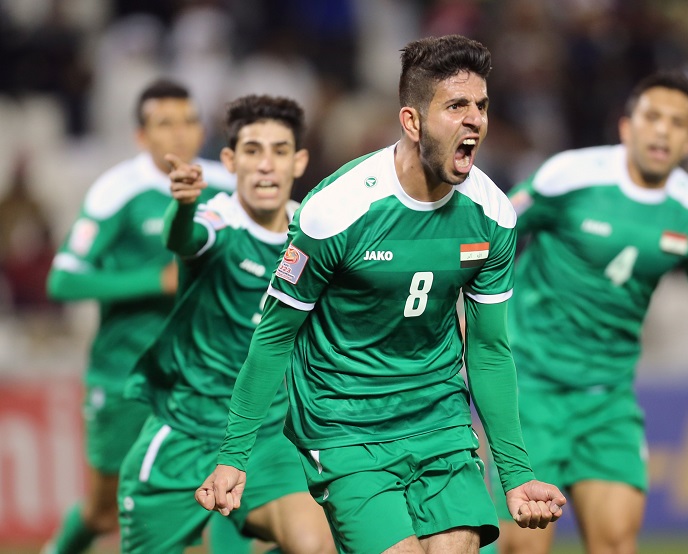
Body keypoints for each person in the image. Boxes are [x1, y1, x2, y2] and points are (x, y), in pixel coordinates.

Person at [196, 34, 567, 554]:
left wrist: (516, 471)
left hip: (439, 421)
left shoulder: (493, 214)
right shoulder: (337, 211)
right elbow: (275, 337)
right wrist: (234, 454)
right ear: (412, 122)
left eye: (481, 106)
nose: (475, 120)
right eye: (455, 106)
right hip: (345, 427)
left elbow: (488, 349)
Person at [494, 70, 688, 554]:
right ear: (626, 127)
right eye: (652, 117)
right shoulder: (569, 176)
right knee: (520, 546)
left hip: (608, 397)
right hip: (529, 385)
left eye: (676, 123)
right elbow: (495, 230)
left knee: (615, 542)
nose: (662, 130)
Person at [117, 94, 336, 554]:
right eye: (253, 151)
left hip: (267, 439)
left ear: (299, 161)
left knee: (316, 545)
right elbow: (185, 239)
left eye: (279, 151)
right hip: (188, 432)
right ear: (230, 160)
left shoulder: (316, 233)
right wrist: (182, 207)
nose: (265, 165)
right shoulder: (216, 219)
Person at [44, 79, 243, 554]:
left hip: (200, 377)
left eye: (189, 121)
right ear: (140, 136)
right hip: (124, 373)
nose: (179, 133)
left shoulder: (223, 186)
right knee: (102, 511)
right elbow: (64, 280)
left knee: (222, 497)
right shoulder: (119, 190)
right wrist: (155, 281)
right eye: (164, 124)